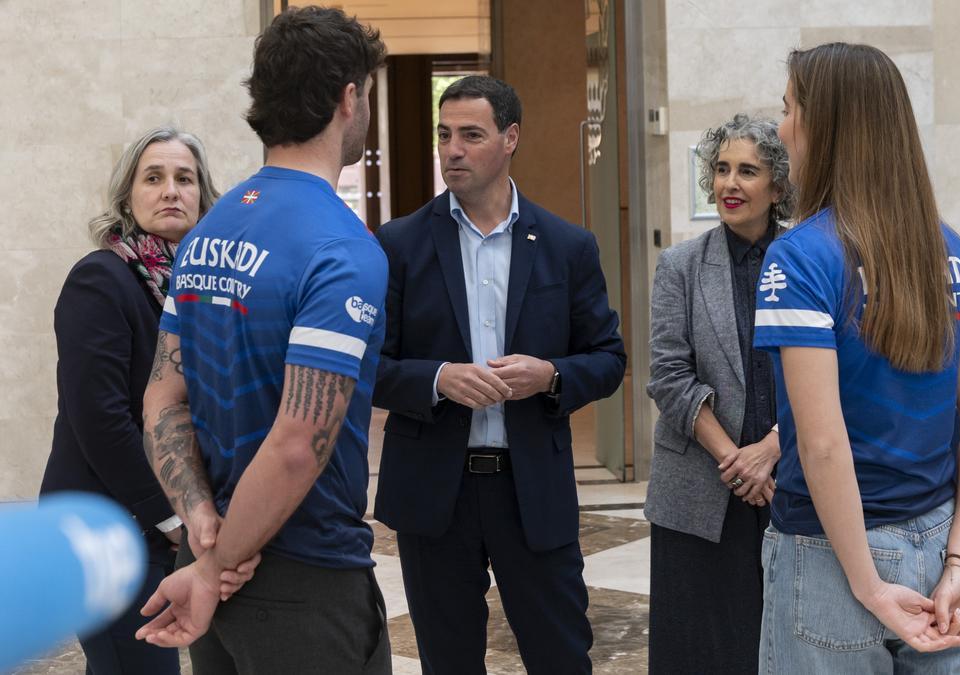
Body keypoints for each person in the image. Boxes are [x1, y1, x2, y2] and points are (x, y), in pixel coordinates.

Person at [133, 7, 392, 673]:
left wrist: (201, 526)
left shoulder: (209, 231)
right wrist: (214, 563)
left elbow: (163, 398)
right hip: (302, 581)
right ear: (349, 98)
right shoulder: (342, 247)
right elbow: (298, 443)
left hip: (215, 563)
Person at [753, 42, 960, 673]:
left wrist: (869, 586)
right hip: (945, 549)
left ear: (824, 124)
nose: (782, 127)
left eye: (789, 109)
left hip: (830, 557)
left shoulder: (801, 257)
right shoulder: (956, 253)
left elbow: (820, 444)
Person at [371, 74, 626, 674]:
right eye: (444, 134)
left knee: (561, 656)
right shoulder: (398, 244)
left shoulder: (568, 245)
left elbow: (609, 358)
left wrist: (551, 376)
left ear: (510, 138)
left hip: (532, 489)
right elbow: (367, 365)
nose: (451, 149)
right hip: (436, 493)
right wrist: (437, 380)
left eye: (470, 135)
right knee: (448, 660)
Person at [39, 126, 219, 675]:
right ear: (127, 197)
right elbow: (100, 419)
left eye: (184, 179)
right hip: (108, 523)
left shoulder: (204, 286)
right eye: (154, 177)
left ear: (202, 196)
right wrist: (172, 517)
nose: (170, 191)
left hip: (172, 517)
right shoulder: (102, 279)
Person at [643, 113, 794, 674]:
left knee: (784, 641)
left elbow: (838, 375)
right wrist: (737, 460)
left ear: (777, 186)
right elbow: (668, 375)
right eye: (722, 169)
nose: (730, 183)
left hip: (791, 479)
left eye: (748, 171)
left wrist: (772, 448)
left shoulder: (811, 258)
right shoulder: (680, 265)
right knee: (698, 651)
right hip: (702, 487)